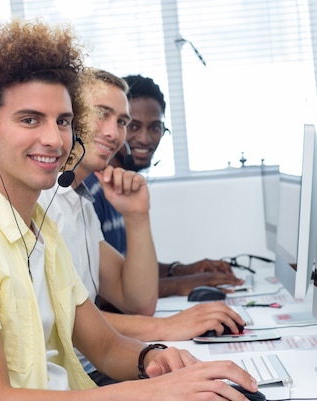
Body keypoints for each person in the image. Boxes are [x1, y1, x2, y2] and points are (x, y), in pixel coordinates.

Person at [0, 18, 257, 400]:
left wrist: (160, 360)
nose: (53, 139)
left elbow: (105, 346)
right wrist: (152, 393)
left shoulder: (39, 229)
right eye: (30, 119)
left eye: (63, 121)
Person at [39, 68, 245, 386]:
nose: (113, 133)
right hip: (73, 378)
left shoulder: (76, 201)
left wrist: (137, 216)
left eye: (121, 121)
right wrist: (166, 328)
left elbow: (136, 301)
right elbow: (62, 320)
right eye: (101, 115)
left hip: (91, 369)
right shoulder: (43, 204)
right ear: (68, 117)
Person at [84, 74, 243, 297]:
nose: (145, 139)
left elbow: (125, 270)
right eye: (132, 125)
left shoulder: (119, 186)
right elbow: (102, 292)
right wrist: (181, 284)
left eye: (155, 127)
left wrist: (180, 270)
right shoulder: (89, 190)